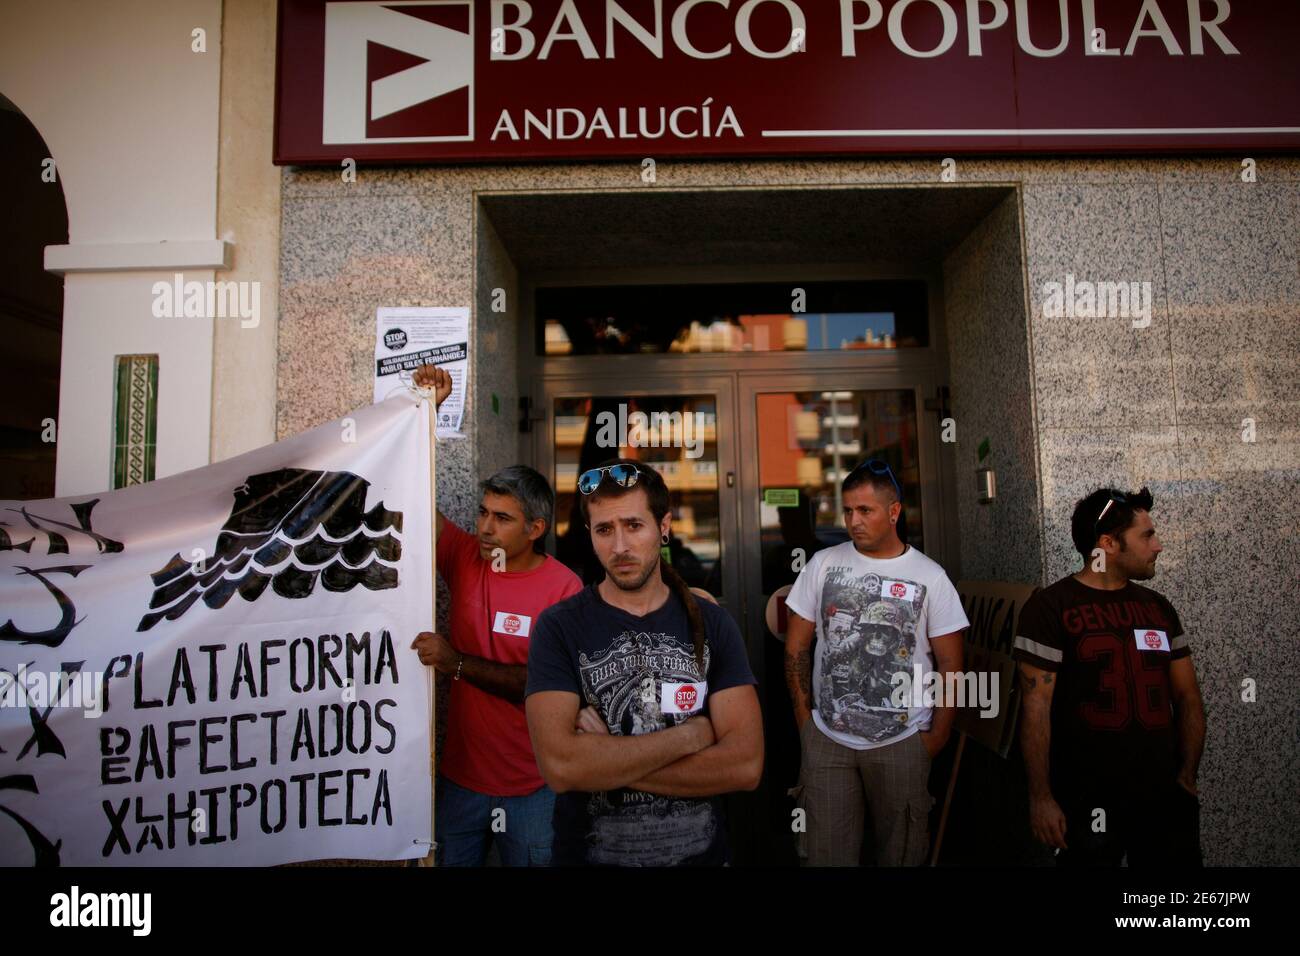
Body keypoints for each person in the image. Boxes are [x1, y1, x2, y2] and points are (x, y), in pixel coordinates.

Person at [524, 458, 763, 866]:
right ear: (590, 535)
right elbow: (561, 768)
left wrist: (602, 757)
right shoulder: (559, 627)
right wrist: (690, 737)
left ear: (664, 527)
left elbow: (744, 766)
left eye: (633, 526)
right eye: (604, 530)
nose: (619, 547)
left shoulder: (713, 624)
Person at [410, 364, 582, 866]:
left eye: (501, 518)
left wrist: (455, 663)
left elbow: (543, 685)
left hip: (532, 785)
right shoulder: (464, 555)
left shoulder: (563, 588)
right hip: (459, 780)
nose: (484, 527)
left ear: (535, 528)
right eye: (483, 512)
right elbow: (413, 498)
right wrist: (428, 415)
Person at [783, 459, 968, 866]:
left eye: (864, 510)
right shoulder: (822, 565)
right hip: (828, 740)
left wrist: (935, 739)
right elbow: (796, 648)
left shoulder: (930, 577)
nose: (853, 521)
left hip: (902, 742)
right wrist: (806, 724)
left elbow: (952, 666)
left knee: (901, 855)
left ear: (894, 511)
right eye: (847, 510)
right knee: (825, 857)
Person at [1014, 487, 1205, 867]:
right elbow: (1035, 708)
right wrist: (1040, 797)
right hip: (1086, 800)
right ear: (1108, 544)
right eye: (1146, 535)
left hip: (1161, 797)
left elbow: (1187, 697)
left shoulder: (1158, 608)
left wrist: (1185, 776)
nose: (1158, 545)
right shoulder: (1050, 608)